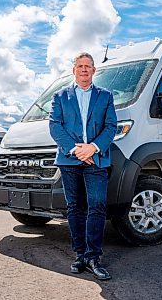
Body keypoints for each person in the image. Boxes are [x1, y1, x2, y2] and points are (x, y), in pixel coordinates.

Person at [49, 52, 117, 281]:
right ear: (74, 70)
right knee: (74, 207)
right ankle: (79, 255)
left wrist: (93, 148)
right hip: (69, 159)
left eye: (88, 66)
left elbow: (111, 127)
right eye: (80, 66)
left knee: (97, 206)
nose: (84, 69)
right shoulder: (60, 96)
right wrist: (77, 150)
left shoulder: (106, 96)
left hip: (97, 159)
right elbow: (55, 126)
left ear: (94, 71)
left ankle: (93, 258)